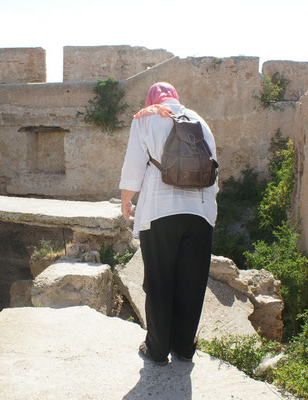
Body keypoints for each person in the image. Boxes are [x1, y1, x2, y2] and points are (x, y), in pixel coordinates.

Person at [119, 82, 218, 366]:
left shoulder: (145, 118)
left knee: (160, 282)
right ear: (176, 97)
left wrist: (127, 199)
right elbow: (213, 167)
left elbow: (134, 164)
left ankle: (158, 349)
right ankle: (184, 347)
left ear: (152, 98)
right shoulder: (199, 120)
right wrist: (212, 210)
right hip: (199, 212)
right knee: (192, 282)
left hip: (160, 212)